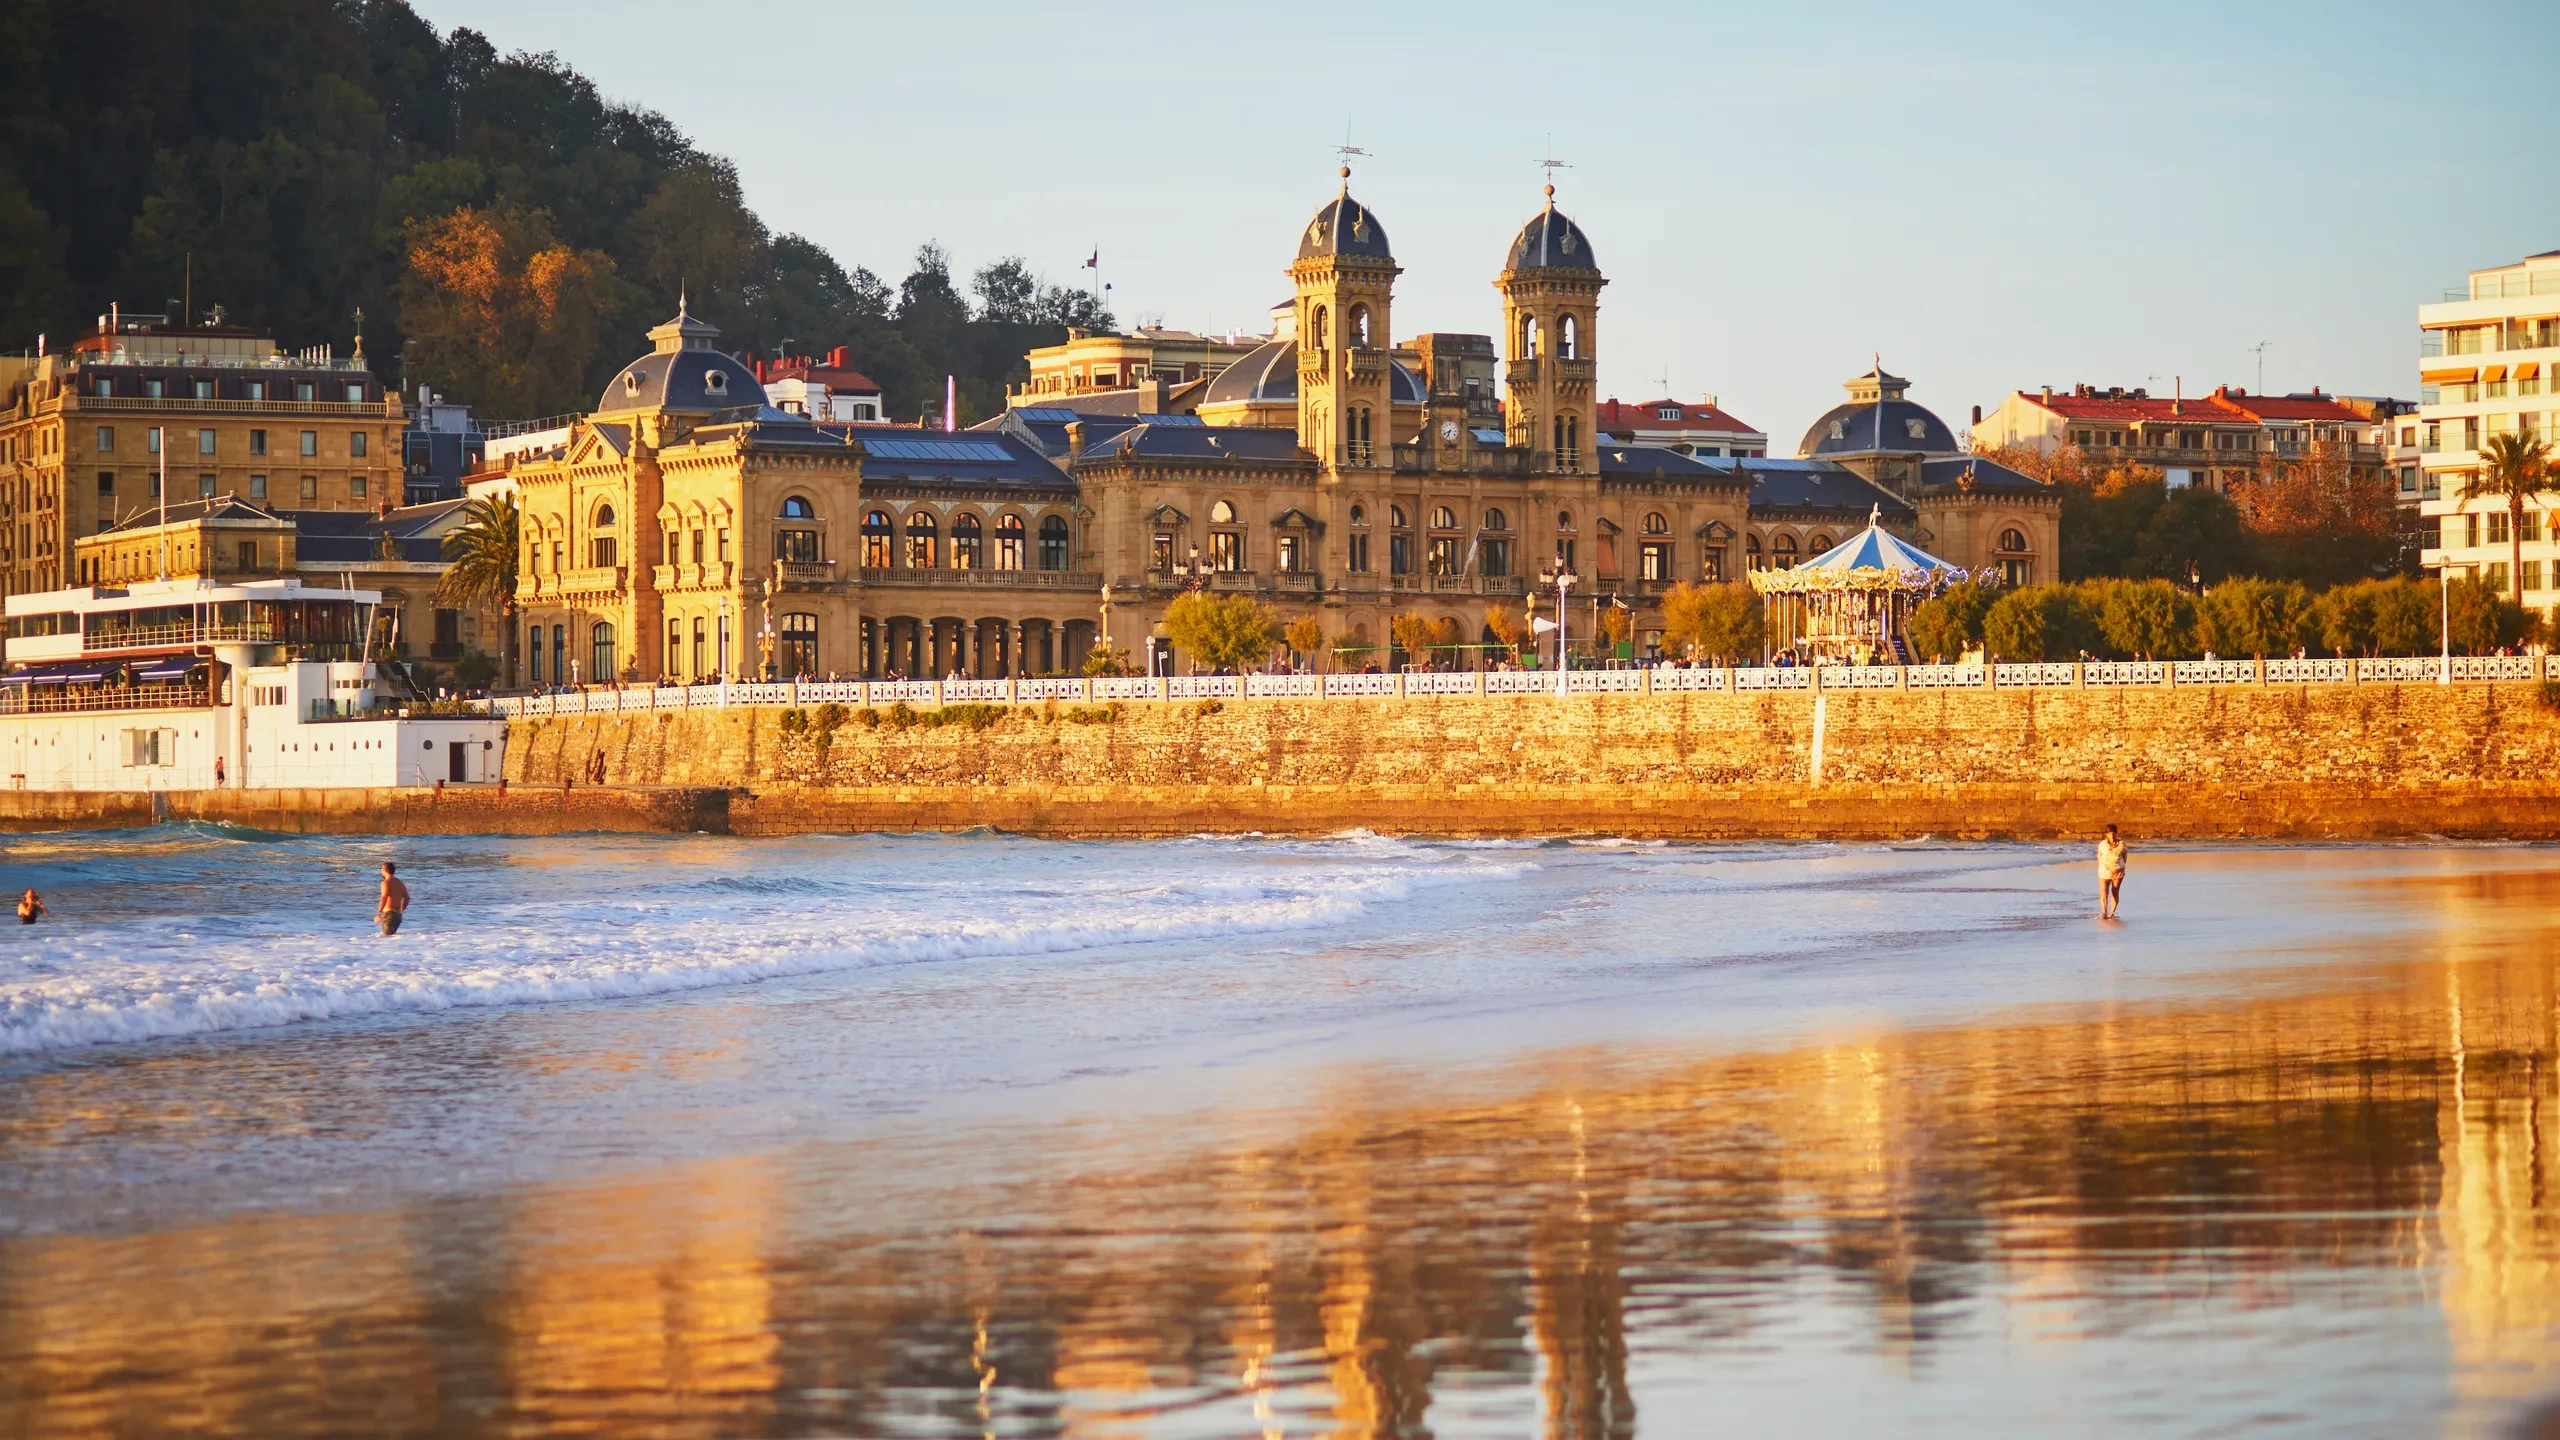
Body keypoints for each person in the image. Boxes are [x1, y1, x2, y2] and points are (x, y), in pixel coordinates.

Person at [2097, 825, 2128, 919]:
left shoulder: (2122, 844)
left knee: (2115, 891)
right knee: (2104, 891)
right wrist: (2105, 866)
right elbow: (2100, 857)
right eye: (2110, 834)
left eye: (2114, 834)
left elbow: (2125, 857)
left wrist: (2118, 867)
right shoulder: (2102, 844)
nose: (2112, 836)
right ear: (2106, 834)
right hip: (2104, 871)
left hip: (2117, 871)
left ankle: (2112, 912)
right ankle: (2104, 912)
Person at [377, 862, 410, 936]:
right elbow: (407, 898)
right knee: (391, 939)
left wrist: (378, 912)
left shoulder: (385, 882)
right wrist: (401, 910)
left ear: (384, 870)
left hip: (388, 915)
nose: (381, 872)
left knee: (387, 939)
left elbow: (384, 897)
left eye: (381, 870)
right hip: (397, 916)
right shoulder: (399, 882)